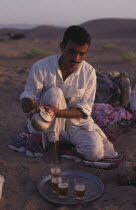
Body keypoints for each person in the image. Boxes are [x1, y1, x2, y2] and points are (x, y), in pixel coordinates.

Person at [12, 25, 118, 161]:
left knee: (95, 154)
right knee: (54, 93)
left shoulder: (89, 73)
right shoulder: (41, 66)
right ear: (62, 46)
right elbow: (28, 97)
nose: (76, 58)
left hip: (76, 125)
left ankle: (63, 143)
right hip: (47, 124)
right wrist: (29, 103)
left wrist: (57, 112)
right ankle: (52, 143)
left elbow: (84, 110)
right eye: (72, 52)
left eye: (82, 54)